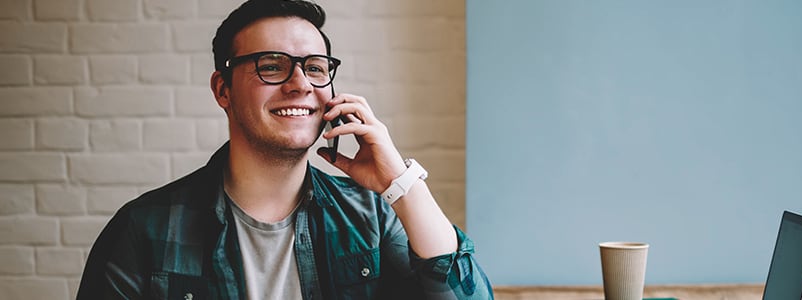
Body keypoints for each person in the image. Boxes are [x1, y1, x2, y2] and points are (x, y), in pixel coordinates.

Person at [76, 0, 492, 299]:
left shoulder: (372, 218)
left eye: (314, 67)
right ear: (223, 89)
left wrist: (402, 183)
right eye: (271, 65)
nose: (301, 84)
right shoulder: (143, 230)